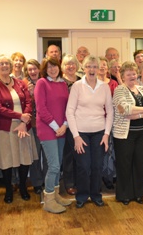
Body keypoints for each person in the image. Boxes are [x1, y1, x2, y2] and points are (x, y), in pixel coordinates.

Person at [66, 55, 114, 208]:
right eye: (89, 66)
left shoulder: (104, 87)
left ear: (98, 68)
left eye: (95, 66)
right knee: (84, 167)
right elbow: (70, 111)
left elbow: (110, 112)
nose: (92, 69)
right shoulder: (77, 86)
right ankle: (82, 196)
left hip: (99, 132)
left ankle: (95, 195)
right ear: (84, 68)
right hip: (81, 132)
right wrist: (76, 136)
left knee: (97, 166)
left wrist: (106, 134)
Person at [0, 55, 38, 204]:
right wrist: (20, 116)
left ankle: (23, 187)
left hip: (24, 126)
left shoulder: (20, 83)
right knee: (7, 159)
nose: (4, 66)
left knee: (25, 158)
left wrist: (24, 120)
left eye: (7, 63)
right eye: (1, 64)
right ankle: (9, 190)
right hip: (5, 127)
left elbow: (29, 102)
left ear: (11, 67)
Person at [113, 61, 143, 205]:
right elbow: (124, 109)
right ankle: (124, 195)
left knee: (139, 164)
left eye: (133, 73)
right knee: (124, 164)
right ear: (123, 76)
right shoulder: (119, 90)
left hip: (142, 133)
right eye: (128, 74)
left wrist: (136, 114)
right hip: (125, 134)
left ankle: (138, 193)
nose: (132, 76)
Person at [34, 58, 72, 213]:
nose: (52, 69)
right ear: (45, 69)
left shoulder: (63, 84)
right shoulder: (42, 83)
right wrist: (57, 127)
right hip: (48, 129)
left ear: (59, 67)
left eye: (55, 66)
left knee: (59, 164)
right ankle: (48, 199)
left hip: (61, 129)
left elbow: (69, 107)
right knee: (54, 165)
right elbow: (41, 109)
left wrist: (64, 125)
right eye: (49, 67)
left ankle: (56, 195)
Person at [22, 59, 47, 195]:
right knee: (36, 155)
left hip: (47, 125)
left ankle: (48, 181)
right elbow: (25, 104)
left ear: (39, 69)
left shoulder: (45, 82)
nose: (32, 71)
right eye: (30, 69)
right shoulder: (24, 85)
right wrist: (30, 95)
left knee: (48, 156)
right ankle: (37, 182)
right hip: (33, 125)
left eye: (34, 69)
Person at [61, 54, 82, 195]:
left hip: (82, 122)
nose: (71, 66)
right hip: (65, 122)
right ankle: (69, 183)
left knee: (80, 153)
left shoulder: (82, 81)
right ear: (63, 66)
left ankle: (81, 181)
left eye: (73, 63)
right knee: (68, 154)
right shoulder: (60, 82)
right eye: (68, 64)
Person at [97, 57, 119, 190]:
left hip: (111, 120)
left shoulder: (113, 84)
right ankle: (98, 177)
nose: (102, 67)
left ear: (107, 68)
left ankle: (108, 176)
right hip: (97, 121)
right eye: (99, 65)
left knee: (110, 150)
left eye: (104, 65)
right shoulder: (92, 83)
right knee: (98, 151)